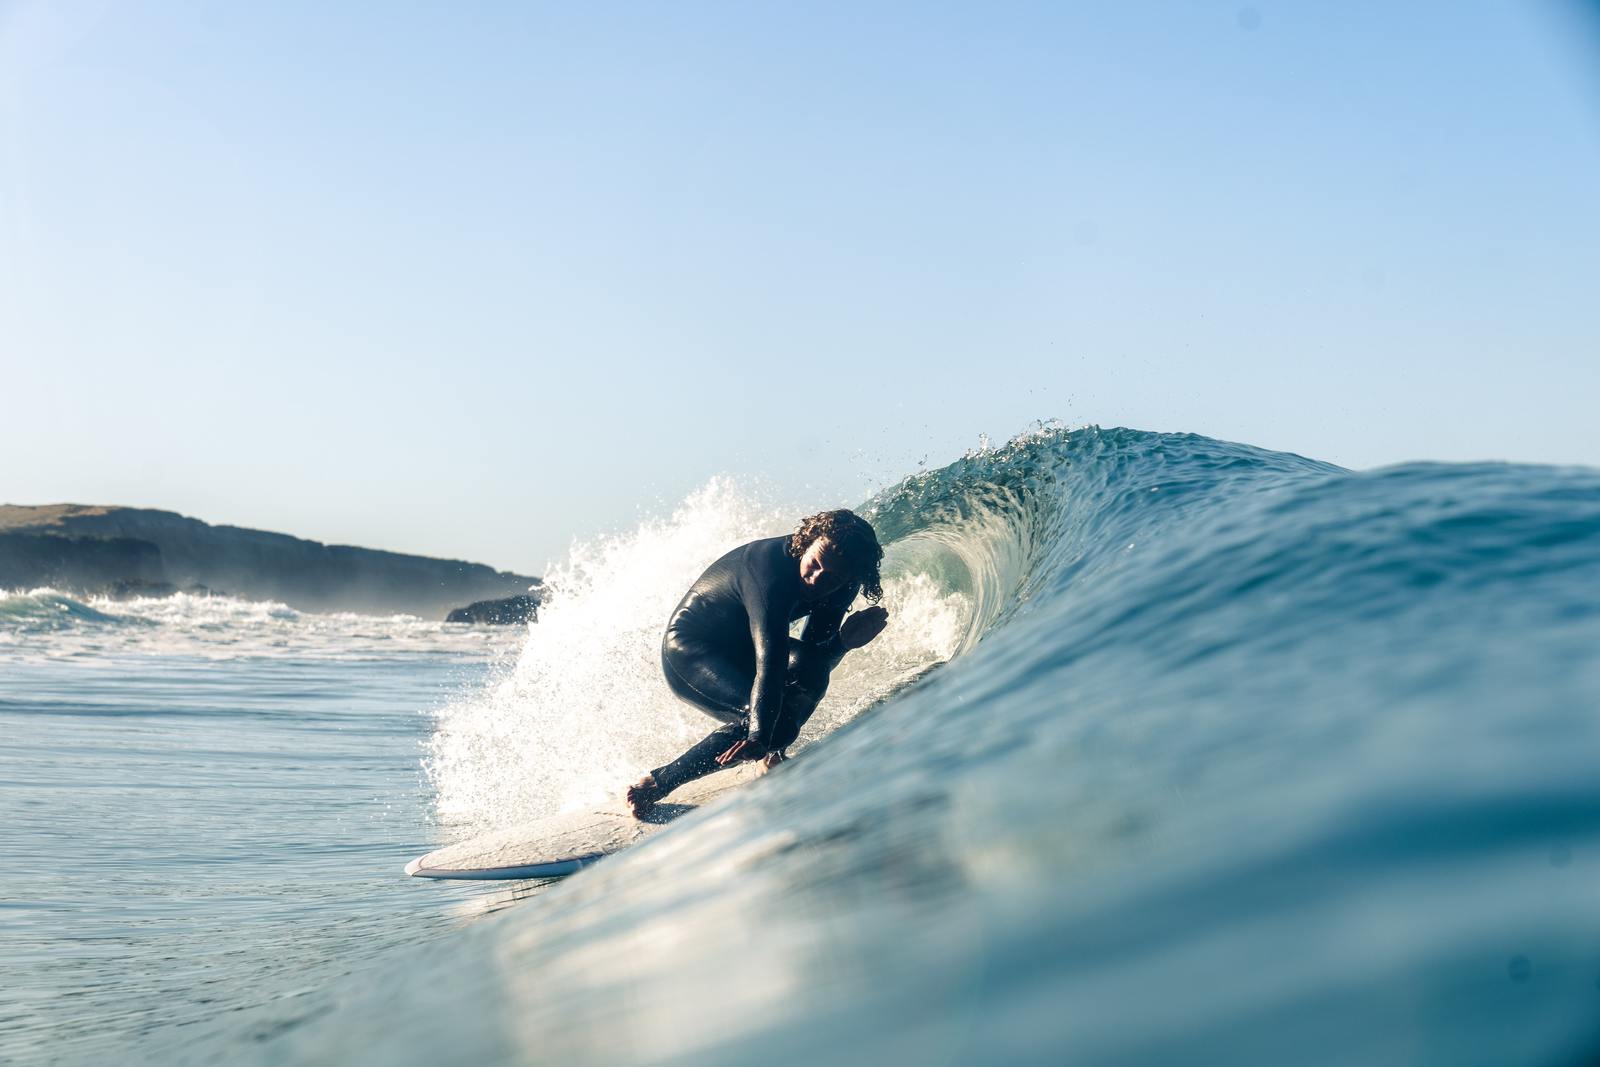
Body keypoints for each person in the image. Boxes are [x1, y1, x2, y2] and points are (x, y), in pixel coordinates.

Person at [624, 509, 890, 819]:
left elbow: (815, 658)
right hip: (691, 651)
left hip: (745, 647)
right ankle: (658, 781)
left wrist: (843, 642)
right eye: (814, 564)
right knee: (767, 724)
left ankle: (769, 756)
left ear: (849, 578)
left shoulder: (842, 583)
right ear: (806, 543)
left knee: (803, 680)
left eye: (830, 577)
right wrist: (759, 737)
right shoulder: (769, 571)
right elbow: (771, 664)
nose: (817, 579)